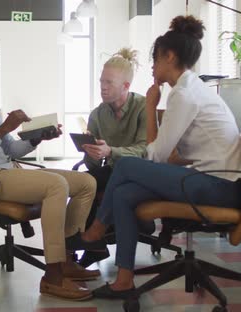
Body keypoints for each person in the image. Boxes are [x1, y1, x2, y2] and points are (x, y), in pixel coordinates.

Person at [80, 15, 241, 299]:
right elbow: (170, 153)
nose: (153, 67)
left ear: (170, 57)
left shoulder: (184, 94)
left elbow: (155, 155)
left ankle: (96, 229)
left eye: (155, 60)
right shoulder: (189, 89)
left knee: (129, 166)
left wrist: (149, 105)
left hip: (221, 186)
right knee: (123, 194)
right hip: (212, 180)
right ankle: (123, 279)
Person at [0, 45, 102, 301]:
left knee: (85, 182)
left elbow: (12, 149)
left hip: (6, 172)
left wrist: (36, 139)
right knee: (56, 185)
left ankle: (67, 258)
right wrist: (3, 128)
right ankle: (53, 275)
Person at [78, 47, 148, 267]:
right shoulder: (97, 114)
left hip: (140, 173)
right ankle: (89, 245)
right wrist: (90, 152)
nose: (103, 88)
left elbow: (146, 149)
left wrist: (111, 151)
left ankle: (93, 243)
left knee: (105, 183)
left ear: (126, 86)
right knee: (83, 182)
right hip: (109, 171)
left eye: (109, 83)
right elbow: (95, 163)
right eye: (101, 82)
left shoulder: (144, 107)